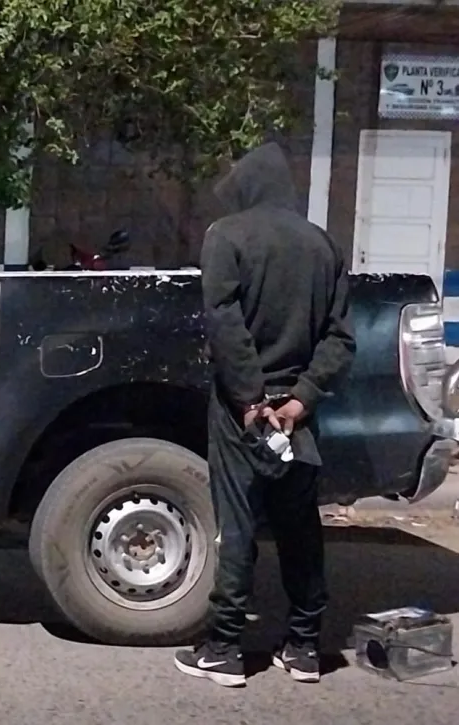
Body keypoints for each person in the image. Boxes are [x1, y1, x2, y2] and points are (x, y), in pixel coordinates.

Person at [174, 142, 356, 688]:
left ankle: (224, 648)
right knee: (300, 526)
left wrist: (251, 398)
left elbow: (224, 323)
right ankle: (304, 646)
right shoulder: (323, 246)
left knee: (237, 523)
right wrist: (301, 399)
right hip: (297, 413)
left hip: (241, 410)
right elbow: (340, 338)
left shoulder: (226, 237)